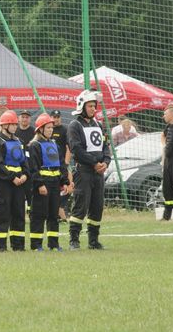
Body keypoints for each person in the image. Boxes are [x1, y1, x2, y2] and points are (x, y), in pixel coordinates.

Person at [67, 90, 111, 250]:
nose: (93, 109)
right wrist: (94, 163)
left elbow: (105, 146)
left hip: (98, 173)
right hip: (83, 172)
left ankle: (93, 241)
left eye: (94, 106)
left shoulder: (98, 124)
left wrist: (106, 161)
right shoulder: (75, 125)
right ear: (82, 106)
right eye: (90, 106)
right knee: (80, 205)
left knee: (97, 206)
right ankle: (74, 240)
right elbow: (76, 149)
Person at [0, 110, 30, 252]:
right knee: (3, 213)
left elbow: (24, 161)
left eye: (15, 124)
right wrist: (12, 177)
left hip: (19, 182)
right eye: (13, 124)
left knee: (19, 212)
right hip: (4, 184)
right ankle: (1, 246)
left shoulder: (19, 142)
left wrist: (25, 175)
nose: (15, 126)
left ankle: (18, 245)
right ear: (5, 125)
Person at [28, 113, 69, 251]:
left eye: (51, 127)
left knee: (53, 214)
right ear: (40, 129)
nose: (51, 130)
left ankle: (53, 244)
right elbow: (33, 167)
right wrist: (40, 184)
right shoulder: (35, 145)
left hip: (55, 183)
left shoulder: (54, 144)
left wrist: (64, 181)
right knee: (39, 214)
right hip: (43, 183)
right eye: (48, 128)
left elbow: (61, 163)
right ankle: (36, 245)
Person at [50, 110, 73, 221]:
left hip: (62, 164)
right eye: (54, 117)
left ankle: (62, 209)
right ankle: (58, 213)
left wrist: (66, 163)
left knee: (69, 187)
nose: (56, 119)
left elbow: (69, 147)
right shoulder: (48, 129)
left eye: (58, 116)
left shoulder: (65, 129)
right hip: (50, 165)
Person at [16, 110, 34, 214]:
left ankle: (32, 214)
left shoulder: (34, 132)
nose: (24, 119)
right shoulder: (15, 132)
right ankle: (19, 213)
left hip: (31, 167)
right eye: (22, 117)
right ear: (19, 119)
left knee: (30, 192)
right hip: (18, 168)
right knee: (19, 194)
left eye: (26, 117)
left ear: (30, 119)